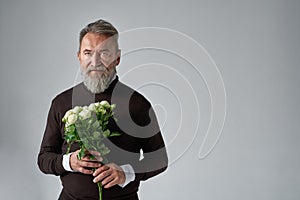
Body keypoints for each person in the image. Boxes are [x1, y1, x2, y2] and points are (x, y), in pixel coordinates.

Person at [38, 19, 168, 200]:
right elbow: (44, 158)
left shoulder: (137, 104)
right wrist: (69, 162)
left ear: (118, 58)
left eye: (104, 53)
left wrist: (127, 173)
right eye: (88, 53)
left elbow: (160, 158)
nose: (95, 61)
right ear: (79, 56)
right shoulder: (61, 102)